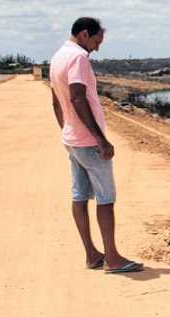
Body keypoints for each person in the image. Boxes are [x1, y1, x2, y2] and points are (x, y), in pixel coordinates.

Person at [49, 17, 142, 273]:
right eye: (96, 41)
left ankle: (92, 254)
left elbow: (56, 101)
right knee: (106, 198)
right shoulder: (78, 57)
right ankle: (112, 259)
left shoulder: (58, 56)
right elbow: (78, 98)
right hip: (88, 142)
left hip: (72, 140)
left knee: (79, 196)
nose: (97, 48)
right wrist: (100, 139)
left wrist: (67, 130)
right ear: (84, 34)